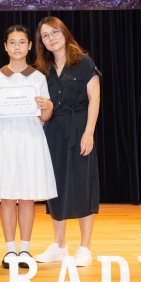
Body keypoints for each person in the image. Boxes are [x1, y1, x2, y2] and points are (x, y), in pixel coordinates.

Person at [0, 25, 57, 269]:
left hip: (30, 138)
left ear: (30, 46)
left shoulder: (38, 77)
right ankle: (10, 250)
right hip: (4, 138)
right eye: (12, 42)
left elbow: (45, 116)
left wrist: (48, 106)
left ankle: (25, 249)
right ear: (5, 46)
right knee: (7, 196)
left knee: (27, 196)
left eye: (22, 42)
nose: (17, 47)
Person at [33, 16, 101, 267]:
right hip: (53, 132)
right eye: (45, 36)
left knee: (83, 185)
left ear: (64, 32)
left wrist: (89, 132)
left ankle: (85, 247)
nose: (51, 38)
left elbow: (94, 99)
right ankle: (60, 246)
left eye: (54, 32)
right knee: (55, 187)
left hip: (80, 129)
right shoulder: (42, 70)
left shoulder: (84, 62)